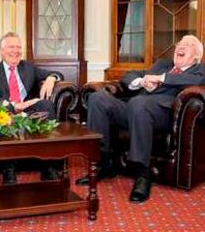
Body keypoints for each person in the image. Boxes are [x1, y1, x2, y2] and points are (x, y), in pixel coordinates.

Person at [75, 35, 205, 203]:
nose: (180, 46)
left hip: (164, 115)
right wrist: (141, 81)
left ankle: (143, 175)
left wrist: (160, 79)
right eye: (180, 43)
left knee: (139, 102)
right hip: (135, 109)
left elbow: (198, 81)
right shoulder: (163, 65)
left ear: (196, 56)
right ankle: (103, 163)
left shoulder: (199, 70)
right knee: (98, 98)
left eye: (187, 45)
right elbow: (131, 74)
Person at [0, 31, 63, 184]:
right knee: (0, 114)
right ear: (2, 50)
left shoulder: (28, 67)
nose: (16, 51)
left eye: (18, 47)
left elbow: (57, 73)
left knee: (46, 104)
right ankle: (8, 170)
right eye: (11, 47)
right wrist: (14, 106)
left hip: (28, 112)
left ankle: (49, 167)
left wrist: (51, 78)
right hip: (6, 111)